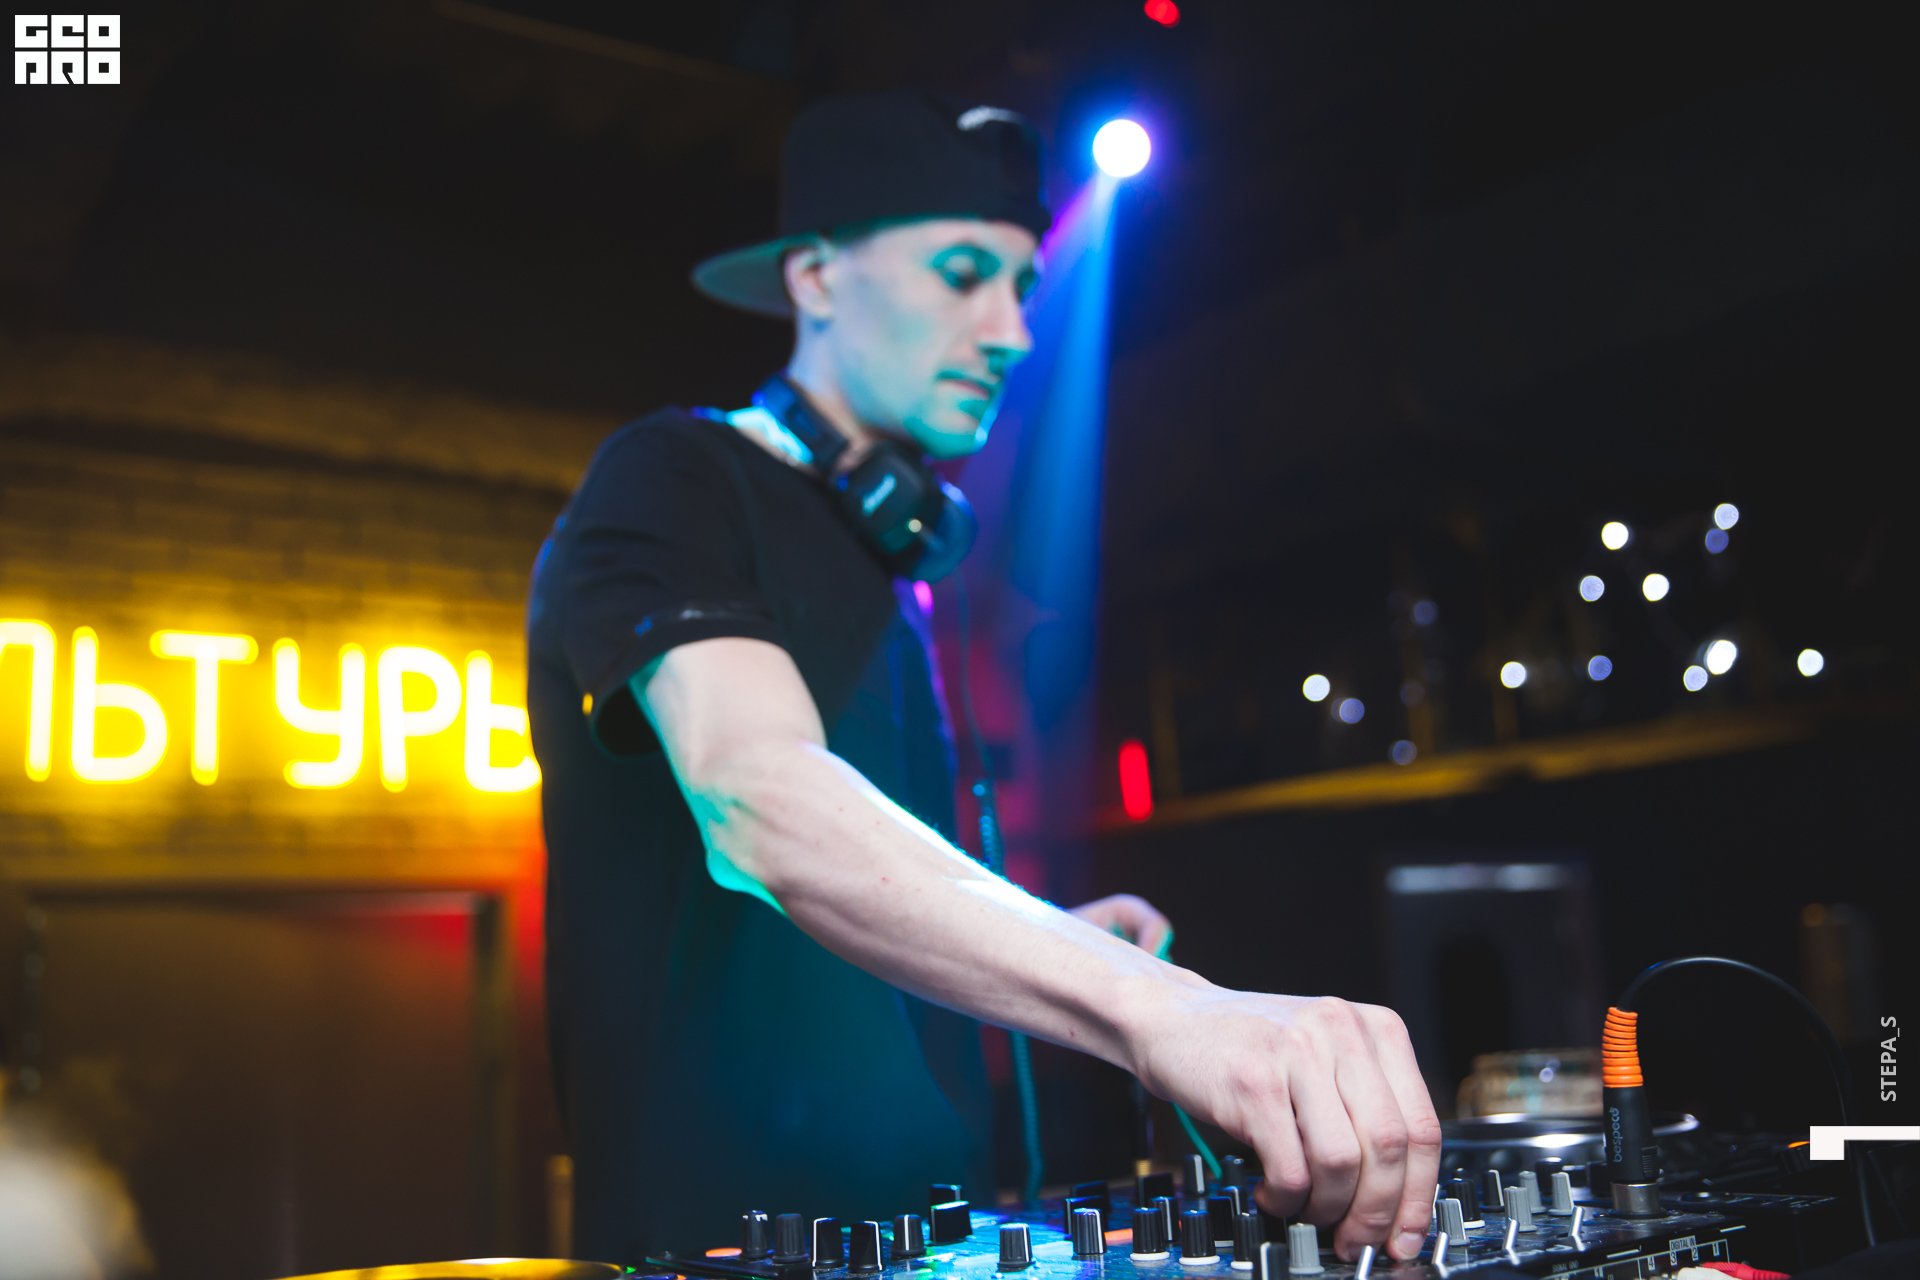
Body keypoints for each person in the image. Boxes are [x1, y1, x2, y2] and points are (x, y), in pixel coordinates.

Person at [526, 88, 1440, 1268]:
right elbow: (756, 791)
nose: (1011, 330)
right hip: (722, 1247)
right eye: (963, 274)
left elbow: (842, 923)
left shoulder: (888, 558)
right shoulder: (671, 478)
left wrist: (1055, 937)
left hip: (936, 1237)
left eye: (1022, 285)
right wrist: (1159, 1008)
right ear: (815, 277)